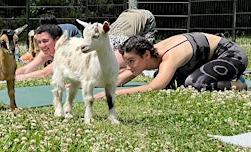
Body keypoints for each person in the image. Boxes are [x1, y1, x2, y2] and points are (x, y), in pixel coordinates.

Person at [94, 33, 248, 99]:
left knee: (193, 84)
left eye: (131, 61)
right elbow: (120, 79)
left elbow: (153, 87)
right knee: (171, 83)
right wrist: (88, 83)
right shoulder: (148, 54)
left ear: (146, 55)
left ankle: (238, 85)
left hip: (231, 55)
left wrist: (119, 93)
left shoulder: (169, 58)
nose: (128, 67)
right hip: (205, 60)